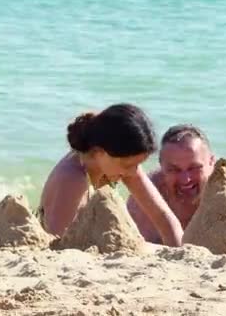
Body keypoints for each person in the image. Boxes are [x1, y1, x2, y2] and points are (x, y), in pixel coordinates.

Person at [36, 103, 183, 247]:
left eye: (137, 164)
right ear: (100, 152)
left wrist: (180, 257)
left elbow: (163, 217)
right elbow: (57, 246)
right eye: (128, 165)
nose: (133, 172)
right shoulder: (72, 179)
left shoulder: (118, 163)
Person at [127, 124, 226, 244]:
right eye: (174, 169)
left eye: (194, 168)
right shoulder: (146, 195)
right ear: (161, 166)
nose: (185, 179)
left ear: (211, 162)